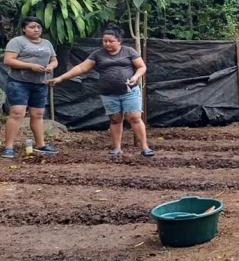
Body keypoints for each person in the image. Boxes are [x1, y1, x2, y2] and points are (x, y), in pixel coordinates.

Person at [46, 27, 154, 157]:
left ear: (119, 41)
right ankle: (116, 148)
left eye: (111, 41)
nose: (107, 44)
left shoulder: (129, 51)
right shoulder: (98, 54)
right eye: (105, 41)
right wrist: (61, 78)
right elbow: (81, 68)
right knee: (115, 119)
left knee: (134, 117)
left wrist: (136, 77)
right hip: (108, 93)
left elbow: (142, 67)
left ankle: (145, 147)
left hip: (130, 90)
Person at [2, 17, 59, 158]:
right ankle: (8, 147)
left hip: (40, 83)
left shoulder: (47, 43)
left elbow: (54, 59)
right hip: (19, 82)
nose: (36, 29)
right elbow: (8, 60)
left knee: (38, 114)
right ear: (24, 28)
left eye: (38, 27)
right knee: (17, 112)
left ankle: (41, 145)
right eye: (32, 27)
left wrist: (51, 66)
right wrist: (30, 66)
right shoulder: (17, 41)